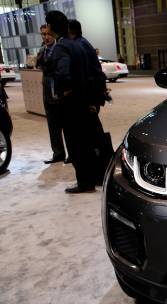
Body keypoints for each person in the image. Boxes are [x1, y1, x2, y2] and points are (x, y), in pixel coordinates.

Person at [46, 10, 97, 194]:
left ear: (51, 26)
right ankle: (90, 179)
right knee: (84, 142)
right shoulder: (76, 44)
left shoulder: (61, 47)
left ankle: (84, 183)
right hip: (83, 99)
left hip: (71, 103)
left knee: (75, 144)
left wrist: (63, 92)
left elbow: (63, 73)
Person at [68, 19, 113, 185]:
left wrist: (93, 101)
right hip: (92, 97)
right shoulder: (83, 44)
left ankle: (99, 174)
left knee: (92, 138)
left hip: (89, 98)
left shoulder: (80, 46)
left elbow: (89, 75)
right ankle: (100, 172)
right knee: (94, 136)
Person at [36, 24, 67, 164]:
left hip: (60, 93)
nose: (46, 37)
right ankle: (58, 153)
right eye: (43, 34)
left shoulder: (59, 49)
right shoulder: (42, 50)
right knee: (52, 127)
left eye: (48, 34)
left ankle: (72, 155)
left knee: (67, 126)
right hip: (47, 93)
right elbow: (39, 66)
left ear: (53, 34)